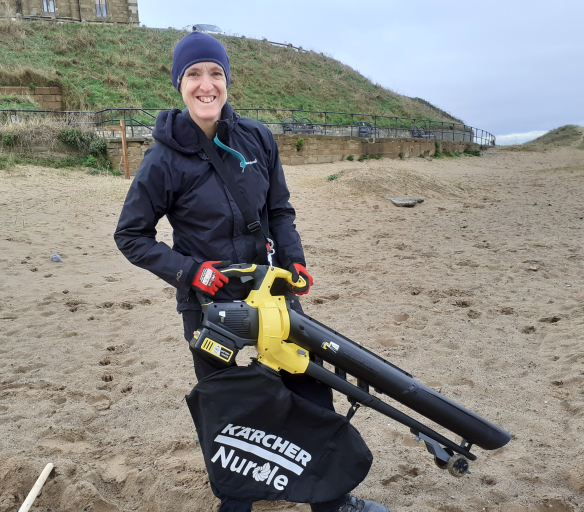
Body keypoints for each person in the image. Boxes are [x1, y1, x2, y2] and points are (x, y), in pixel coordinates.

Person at [114, 31, 388, 512]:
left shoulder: (258, 138)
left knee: (309, 391)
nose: (206, 85)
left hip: (270, 293)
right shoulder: (162, 158)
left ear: (227, 81)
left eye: (215, 73)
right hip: (208, 304)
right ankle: (237, 504)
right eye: (194, 74)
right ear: (179, 83)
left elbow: (280, 210)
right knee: (228, 407)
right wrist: (190, 272)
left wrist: (294, 259)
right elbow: (131, 236)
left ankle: (332, 501)